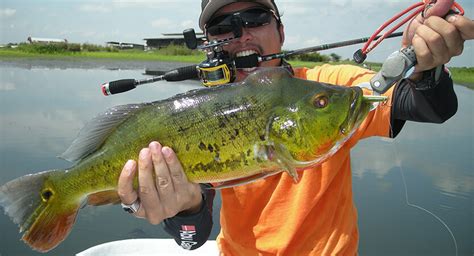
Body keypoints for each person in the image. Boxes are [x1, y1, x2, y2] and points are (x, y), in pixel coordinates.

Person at [117, 0, 474, 255]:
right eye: (224, 28)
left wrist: (428, 66)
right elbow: (194, 239)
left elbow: (428, 106)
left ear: (281, 30)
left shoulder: (327, 86)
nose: (241, 35)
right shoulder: (200, 115)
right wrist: (184, 208)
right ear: (209, 42)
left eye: (254, 18)